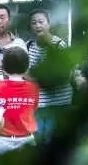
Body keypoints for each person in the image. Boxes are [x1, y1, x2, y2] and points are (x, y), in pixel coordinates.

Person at [26, 9, 75, 141]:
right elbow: (24, 75)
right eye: (34, 23)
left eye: (41, 22)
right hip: (38, 106)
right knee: (39, 143)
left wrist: (37, 77)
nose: (38, 25)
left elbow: (66, 74)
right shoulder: (28, 46)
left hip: (59, 104)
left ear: (48, 24)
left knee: (55, 141)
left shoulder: (59, 45)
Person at [0, 47, 39, 154]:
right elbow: (34, 108)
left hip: (3, 140)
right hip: (27, 140)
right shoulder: (33, 87)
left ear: (4, 68)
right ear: (27, 67)